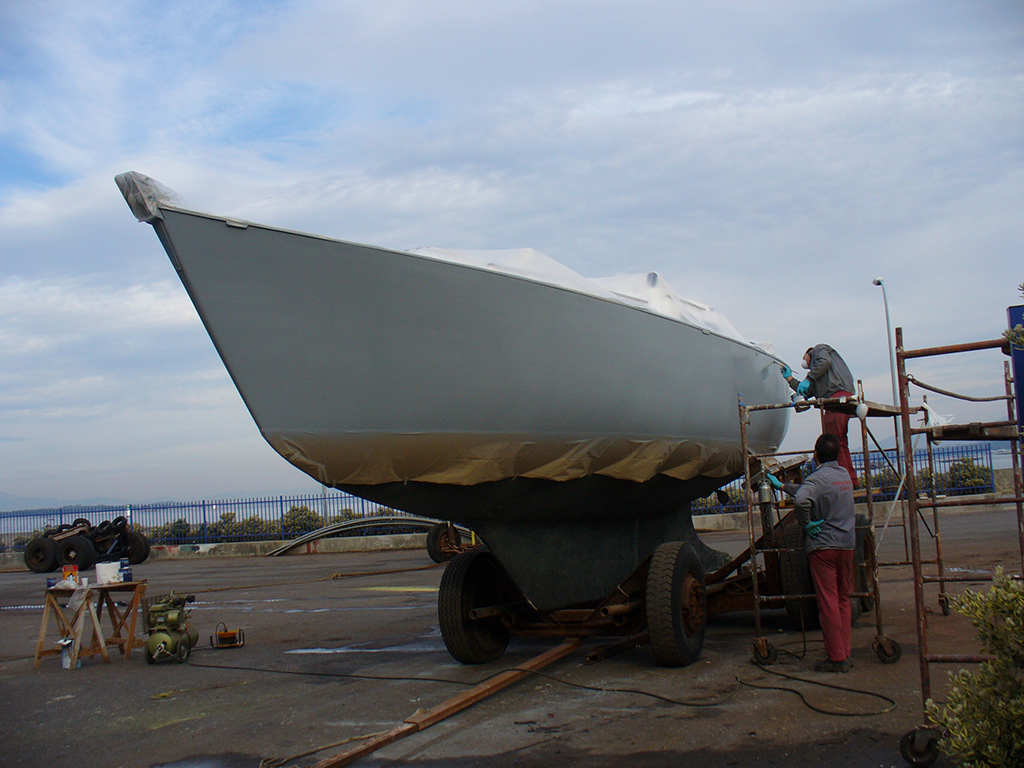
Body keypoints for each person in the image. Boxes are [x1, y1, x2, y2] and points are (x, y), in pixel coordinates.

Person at [769, 433, 856, 672]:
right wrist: (785, 486)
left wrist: (805, 523)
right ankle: (845, 652)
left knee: (827, 603)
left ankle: (836, 658)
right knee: (843, 600)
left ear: (816, 454)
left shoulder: (817, 478)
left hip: (824, 547)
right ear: (837, 454)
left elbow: (803, 499)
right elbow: (809, 490)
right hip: (847, 545)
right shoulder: (843, 477)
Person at [780, 344, 858, 487]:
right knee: (840, 439)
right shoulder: (819, 376)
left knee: (833, 442)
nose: (806, 363)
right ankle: (851, 480)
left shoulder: (820, 350)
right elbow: (806, 390)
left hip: (837, 397)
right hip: (834, 399)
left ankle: (843, 481)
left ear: (809, 353)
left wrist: (809, 378)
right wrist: (790, 378)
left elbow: (824, 363)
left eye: (806, 359)